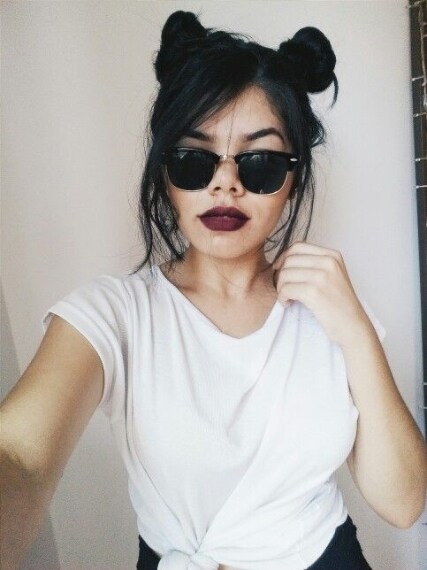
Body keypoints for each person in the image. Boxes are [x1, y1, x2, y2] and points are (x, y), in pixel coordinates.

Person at [1, 9, 427, 570]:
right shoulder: (115, 314)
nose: (225, 183)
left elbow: (404, 503)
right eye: (194, 159)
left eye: (259, 162)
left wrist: (357, 332)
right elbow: (21, 457)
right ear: (165, 174)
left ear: (293, 178)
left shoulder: (333, 310)